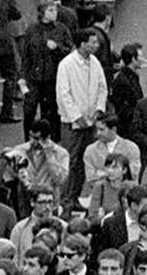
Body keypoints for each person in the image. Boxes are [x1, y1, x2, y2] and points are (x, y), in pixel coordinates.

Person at [55, 27, 108, 200]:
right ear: (82, 44)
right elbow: (63, 94)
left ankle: (76, 197)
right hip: (72, 124)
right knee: (70, 162)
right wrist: (77, 117)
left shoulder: (95, 62)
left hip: (90, 123)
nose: (96, 45)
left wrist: (99, 110)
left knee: (85, 162)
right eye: (92, 42)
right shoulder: (66, 64)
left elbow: (102, 88)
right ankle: (64, 200)